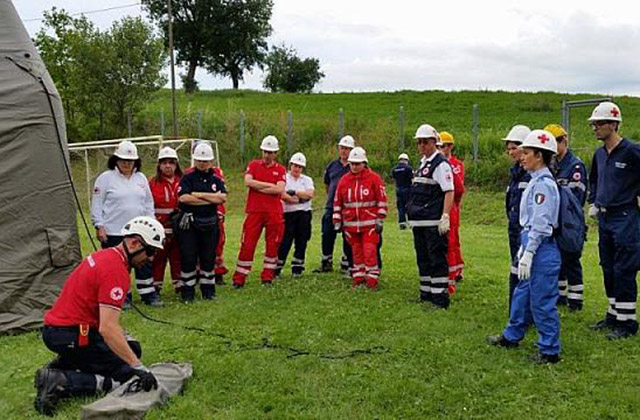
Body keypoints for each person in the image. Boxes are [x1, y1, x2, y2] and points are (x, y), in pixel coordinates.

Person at [34, 216, 165, 416]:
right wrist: (139, 367)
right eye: (150, 251)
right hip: (72, 334)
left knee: (132, 349)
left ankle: (66, 363)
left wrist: (127, 348)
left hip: (62, 330)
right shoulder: (115, 271)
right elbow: (108, 328)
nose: (151, 258)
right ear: (134, 243)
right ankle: (60, 380)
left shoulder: (108, 256)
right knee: (128, 377)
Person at [488, 129, 562, 364]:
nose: (521, 156)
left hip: (541, 247)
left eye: (527, 152)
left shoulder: (543, 185)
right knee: (522, 294)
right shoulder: (535, 181)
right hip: (531, 243)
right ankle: (512, 335)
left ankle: (549, 350)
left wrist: (529, 251)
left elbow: (541, 224)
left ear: (539, 155)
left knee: (542, 300)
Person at [587, 102, 640, 340]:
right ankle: (612, 314)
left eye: (599, 123)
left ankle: (627, 322)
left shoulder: (632, 151)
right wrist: (595, 201)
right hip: (605, 218)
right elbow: (595, 180)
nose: (595, 128)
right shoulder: (599, 154)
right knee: (607, 266)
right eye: (594, 124)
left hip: (626, 217)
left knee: (624, 268)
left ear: (614, 124)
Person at [90, 141, 160, 306]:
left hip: (139, 231)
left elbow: (149, 204)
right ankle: (122, 297)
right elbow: (97, 204)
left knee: (144, 263)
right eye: (123, 160)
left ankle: (148, 295)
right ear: (116, 160)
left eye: (130, 160)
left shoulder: (141, 179)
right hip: (115, 231)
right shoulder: (105, 178)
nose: (127, 163)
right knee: (118, 266)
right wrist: (99, 225)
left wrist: (151, 223)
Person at [407, 124, 454, 308]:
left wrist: (445, 216)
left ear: (434, 142)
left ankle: (440, 298)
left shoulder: (440, 164)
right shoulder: (422, 163)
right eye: (419, 143)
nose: (422, 146)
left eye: (425, 142)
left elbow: (449, 191)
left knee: (436, 258)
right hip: (420, 221)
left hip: (433, 221)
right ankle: (426, 293)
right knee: (423, 258)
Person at [175, 142, 227, 302]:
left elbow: (222, 198)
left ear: (211, 162)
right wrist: (210, 199)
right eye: (199, 160)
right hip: (190, 225)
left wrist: (197, 195)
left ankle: (208, 291)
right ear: (194, 160)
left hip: (210, 224)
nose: (202, 164)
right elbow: (183, 198)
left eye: (205, 161)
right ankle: (188, 292)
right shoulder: (187, 178)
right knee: (188, 257)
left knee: (208, 258)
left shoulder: (216, 179)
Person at [232, 136, 286, 287]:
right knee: (247, 244)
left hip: (273, 212)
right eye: (265, 151)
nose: (267, 155)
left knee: (272, 244)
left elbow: (280, 189)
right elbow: (248, 182)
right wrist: (270, 186)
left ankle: (267, 276)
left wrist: (258, 186)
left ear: (276, 153)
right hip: (254, 211)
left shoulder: (281, 169)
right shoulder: (253, 165)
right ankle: (239, 278)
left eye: (271, 152)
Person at [545, 124, 588, 311]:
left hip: (570, 220)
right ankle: (560, 296)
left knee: (571, 259)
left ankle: (576, 300)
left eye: (555, 142)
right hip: (556, 220)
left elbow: (576, 199)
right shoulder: (553, 164)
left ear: (564, 141)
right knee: (558, 258)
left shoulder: (575, 165)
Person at [333, 147, 388, 289]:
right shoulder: (344, 181)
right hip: (351, 225)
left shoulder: (374, 178)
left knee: (370, 251)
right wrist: (337, 221)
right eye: (352, 164)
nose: (355, 167)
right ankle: (358, 277)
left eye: (358, 164)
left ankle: (372, 279)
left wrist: (380, 219)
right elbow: (337, 202)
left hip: (369, 225)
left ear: (364, 163)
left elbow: (381, 199)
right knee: (356, 252)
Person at [314, 135, 355, 273]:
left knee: (347, 234)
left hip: (348, 207)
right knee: (327, 233)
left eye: (347, 149)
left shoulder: (355, 166)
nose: (344, 151)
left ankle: (346, 261)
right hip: (331, 206)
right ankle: (326, 261)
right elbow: (327, 184)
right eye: (342, 148)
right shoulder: (332, 165)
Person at [503, 125, 532, 309]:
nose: (511, 152)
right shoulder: (515, 172)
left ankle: (523, 310)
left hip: (526, 231)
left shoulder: (531, 173)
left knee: (524, 271)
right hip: (514, 227)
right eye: (509, 149)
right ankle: (516, 308)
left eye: (514, 148)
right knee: (515, 268)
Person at [148, 146, 182, 295]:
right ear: (159, 165)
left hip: (179, 226)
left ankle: (179, 284)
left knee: (178, 256)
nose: (167, 166)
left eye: (171, 162)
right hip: (159, 226)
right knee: (158, 258)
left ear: (176, 164)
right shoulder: (152, 183)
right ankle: (156, 285)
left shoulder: (183, 181)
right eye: (164, 162)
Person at [276, 152, 315, 278]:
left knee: (302, 240)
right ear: (290, 165)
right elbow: (283, 195)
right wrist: (299, 198)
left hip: (304, 213)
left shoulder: (307, 180)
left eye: (299, 166)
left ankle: (297, 268)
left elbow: (309, 195)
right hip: (288, 214)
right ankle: (277, 268)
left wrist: (295, 192)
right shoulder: (284, 178)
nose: (297, 168)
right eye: (295, 165)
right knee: (285, 241)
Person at [438, 131, 466, 292]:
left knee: (453, 240)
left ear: (451, 146)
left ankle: (455, 272)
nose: (442, 149)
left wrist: (454, 205)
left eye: (445, 146)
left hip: (452, 206)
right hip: (438, 205)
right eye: (440, 146)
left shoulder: (456, 165)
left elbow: (458, 188)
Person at [212, 165, 229, 285]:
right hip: (198, 212)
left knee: (218, 243)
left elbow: (221, 193)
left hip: (216, 211)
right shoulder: (189, 173)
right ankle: (198, 273)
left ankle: (218, 272)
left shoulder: (217, 172)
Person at [391, 153, 413, 230]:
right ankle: (411, 221)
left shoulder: (394, 169)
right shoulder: (408, 168)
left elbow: (394, 179)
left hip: (398, 189)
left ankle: (402, 223)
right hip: (407, 189)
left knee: (400, 207)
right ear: (406, 160)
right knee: (409, 206)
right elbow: (412, 179)